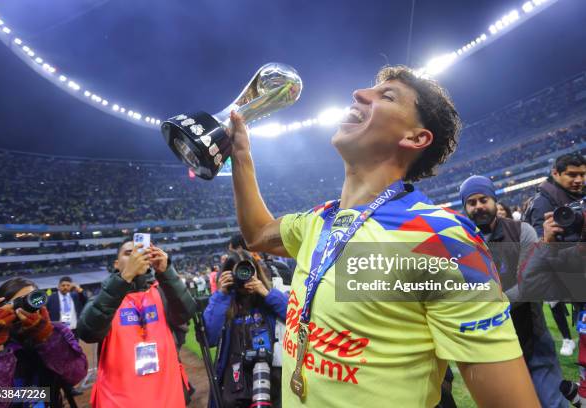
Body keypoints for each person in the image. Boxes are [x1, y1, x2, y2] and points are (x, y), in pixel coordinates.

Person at [227, 65, 539, 406]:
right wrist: (241, 154)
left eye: (386, 96)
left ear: (415, 138)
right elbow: (257, 233)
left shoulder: (440, 238)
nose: (359, 94)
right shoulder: (319, 220)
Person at [460, 175, 567, 408]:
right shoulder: (460, 242)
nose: (478, 206)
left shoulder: (521, 231)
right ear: (465, 208)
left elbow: (532, 283)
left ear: (494, 200)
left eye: (483, 199)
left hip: (532, 336)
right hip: (492, 343)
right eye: (472, 202)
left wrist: (491, 304)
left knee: (551, 402)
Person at [77, 238, 196, 408]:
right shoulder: (103, 299)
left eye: (141, 252)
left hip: (168, 397)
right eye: (128, 253)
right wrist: (125, 277)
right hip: (119, 400)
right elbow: (88, 332)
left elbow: (186, 313)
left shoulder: (163, 292)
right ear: (117, 264)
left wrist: (166, 271)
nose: (136, 256)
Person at [0, 277, 88, 407]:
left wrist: (48, 338)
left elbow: (76, 376)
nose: (27, 308)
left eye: (32, 300)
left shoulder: (55, 332)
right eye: (18, 303)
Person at [204, 249, 288, 408]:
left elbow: (294, 316)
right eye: (238, 272)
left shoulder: (268, 299)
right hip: (234, 388)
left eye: (248, 271)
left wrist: (265, 292)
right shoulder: (224, 304)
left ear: (256, 272)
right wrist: (221, 294)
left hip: (270, 386)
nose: (244, 277)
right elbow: (210, 338)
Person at [523, 152, 585, 356]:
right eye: (572, 174)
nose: (579, 180)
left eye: (583, 175)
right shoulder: (542, 204)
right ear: (555, 174)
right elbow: (537, 252)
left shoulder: (578, 196)